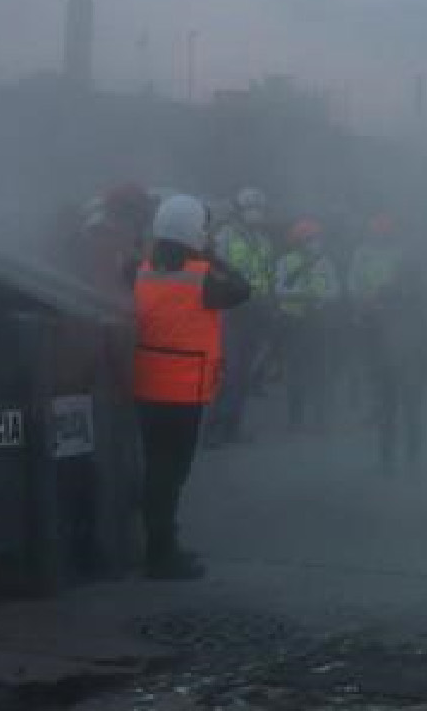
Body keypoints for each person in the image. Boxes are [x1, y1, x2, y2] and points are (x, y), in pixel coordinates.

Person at [131, 194, 252, 580]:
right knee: (171, 473)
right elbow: (242, 288)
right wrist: (211, 254)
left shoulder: (141, 269)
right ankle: (161, 554)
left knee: (156, 468)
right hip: (183, 389)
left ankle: (158, 544)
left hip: (148, 383)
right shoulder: (202, 279)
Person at [206, 187, 276, 446]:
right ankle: (214, 430)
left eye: (259, 208)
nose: (256, 213)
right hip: (232, 310)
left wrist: (270, 304)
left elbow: (266, 276)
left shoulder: (264, 241)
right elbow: (216, 271)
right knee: (230, 371)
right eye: (250, 208)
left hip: (256, 309)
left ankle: (233, 427)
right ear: (239, 209)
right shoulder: (225, 235)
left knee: (245, 372)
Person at [349, 214, 414, 472]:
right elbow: (353, 281)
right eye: (379, 232)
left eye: (386, 232)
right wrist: (362, 303)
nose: (382, 236)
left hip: (394, 315)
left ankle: (385, 407)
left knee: (389, 361)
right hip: (368, 314)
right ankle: (378, 404)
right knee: (372, 362)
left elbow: (407, 283)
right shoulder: (361, 253)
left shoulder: (400, 254)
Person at [276, 219, 342, 430]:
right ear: (301, 242)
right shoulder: (286, 262)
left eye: (317, 238)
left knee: (320, 371)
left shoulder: (326, 262)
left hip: (318, 322)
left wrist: (321, 297)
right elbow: (278, 290)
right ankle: (296, 418)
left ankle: (321, 417)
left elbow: (335, 290)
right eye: (312, 239)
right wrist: (303, 296)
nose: (317, 242)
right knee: (296, 371)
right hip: (294, 323)